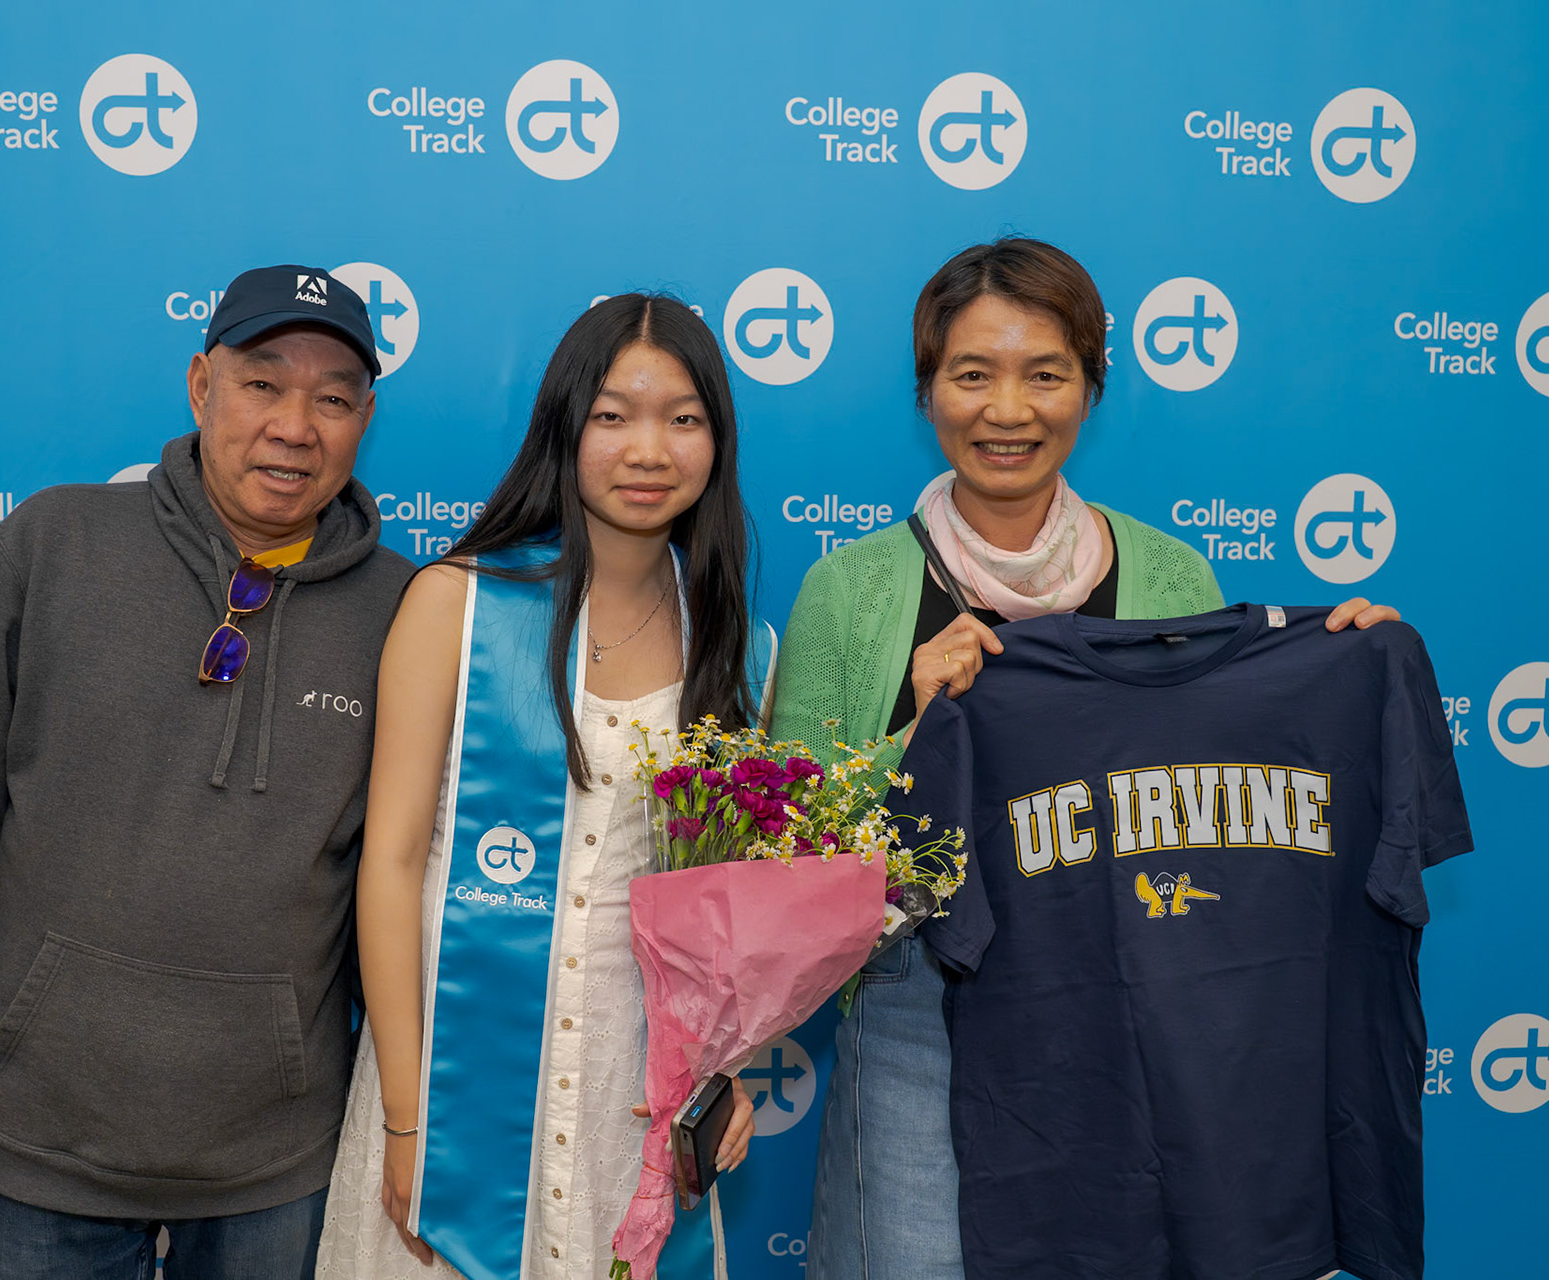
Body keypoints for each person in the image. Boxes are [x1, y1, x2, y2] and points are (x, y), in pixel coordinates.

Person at [767, 237, 1398, 1280]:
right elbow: (789, 850)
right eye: (973, 374)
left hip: (1131, 999)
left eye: (1046, 374)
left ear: (1091, 389)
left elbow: (1221, 804)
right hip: (920, 1015)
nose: (1008, 409)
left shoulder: (1170, 574)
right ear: (928, 391)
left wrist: (1345, 674)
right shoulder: (850, 590)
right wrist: (913, 729)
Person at [0, 264, 413, 1280]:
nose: (294, 426)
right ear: (200, 385)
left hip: (278, 1163)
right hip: (45, 1147)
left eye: (333, 399)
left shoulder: (406, 612)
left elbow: (412, 889)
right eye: (263, 384)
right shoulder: (52, 545)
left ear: (365, 419)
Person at [316, 294, 765, 1280]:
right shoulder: (458, 602)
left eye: (683, 418)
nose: (648, 449)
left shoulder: (737, 648)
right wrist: (407, 1117)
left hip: (628, 1095)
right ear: (565, 425)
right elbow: (391, 864)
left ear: (717, 440)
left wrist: (723, 1069)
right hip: (456, 1082)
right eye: (613, 415)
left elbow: (729, 908)